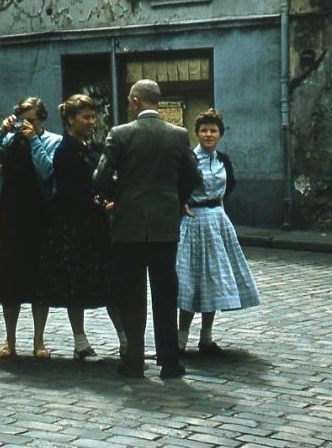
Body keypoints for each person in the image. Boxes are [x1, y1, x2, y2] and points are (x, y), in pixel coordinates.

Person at [93, 79, 202, 380]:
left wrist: (120, 193)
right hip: (165, 226)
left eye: (130, 100)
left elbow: (100, 177)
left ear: (137, 102)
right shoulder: (178, 135)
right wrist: (175, 199)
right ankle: (169, 362)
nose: (129, 104)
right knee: (165, 294)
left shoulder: (121, 134)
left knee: (132, 296)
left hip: (128, 226)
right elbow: (193, 177)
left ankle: (134, 361)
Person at [34, 94, 128, 362]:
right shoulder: (65, 150)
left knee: (112, 284)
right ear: (70, 119)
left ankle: (125, 341)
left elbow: (105, 180)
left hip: (97, 224)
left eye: (92, 116)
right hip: (74, 226)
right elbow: (72, 193)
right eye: (85, 117)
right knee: (76, 286)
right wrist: (101, 206)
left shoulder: (92, 147)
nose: (91, 121)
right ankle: (80, 342)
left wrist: (110, 196)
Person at [0, 96, 62, 358]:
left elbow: (48, 172)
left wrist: (34, 138)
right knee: (9, 282)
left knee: (38, 281)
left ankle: (39, 341)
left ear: (42, 119)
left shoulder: (52, 141)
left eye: (32, 120)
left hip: (38, 215)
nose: (27, 125)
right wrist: (2, 131)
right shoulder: (9, 140)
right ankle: (9, 339)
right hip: (10, 216)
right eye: (22, 121)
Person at [176, 108, 261, 355]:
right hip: (195, 221)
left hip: (218, 221)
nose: (208, 135)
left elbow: (229, 183)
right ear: (197, 134)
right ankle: (180, 340)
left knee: (213, 278)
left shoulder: (223, 160)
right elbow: (178, 185)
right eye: (204, 131)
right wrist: (183, 203)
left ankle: (206, 338)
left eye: (213, 131)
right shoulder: (189, 159)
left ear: (220, 134)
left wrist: (219, 204)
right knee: (191, 281)